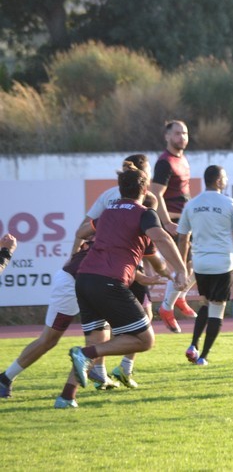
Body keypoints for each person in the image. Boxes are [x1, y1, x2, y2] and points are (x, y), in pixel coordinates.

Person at [0, 156, 165, 400]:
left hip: (89, 278)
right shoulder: (130, 213)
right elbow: (86, 233)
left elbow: (97, 242)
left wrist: (144, 276)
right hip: (75, 280)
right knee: (50, 339)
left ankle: (70, 393)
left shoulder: (116, 215)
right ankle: (5, 378)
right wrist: (172, 271)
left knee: (99, 339)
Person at [61, 162, 187, 408]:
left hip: (84, 279)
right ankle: (86, 356)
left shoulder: (108, 213)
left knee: (96, 342)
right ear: (145, 189)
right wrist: (181, 270)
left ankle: (66, 397)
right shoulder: (144, 214)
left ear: (120, 189)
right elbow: (161, 238)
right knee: (145, 340)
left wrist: (164, 275)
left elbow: (83, 231)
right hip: (108, 282)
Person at [176, 165, 233, 366]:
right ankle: (203, 357)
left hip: (200, 264)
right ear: (218, 181)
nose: (226, 180)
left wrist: (181, 264)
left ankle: (193, 345)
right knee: (217, 309)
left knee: (205, 303)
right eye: (224, 177)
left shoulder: (192, 204)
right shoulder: (230, 203)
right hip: (223, 263)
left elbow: (183, 238)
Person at [151, 119, 198, 332]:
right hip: (174, 221)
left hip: (186, 220)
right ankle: (167, 307)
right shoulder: (165, 162)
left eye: (185, 133)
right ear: (167, 136)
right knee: (185, 267)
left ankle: (178, 298)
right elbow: (155, 194)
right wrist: (166, 222)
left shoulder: (183, 159)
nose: (182, 137)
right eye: (177, 133)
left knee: (196, 264)